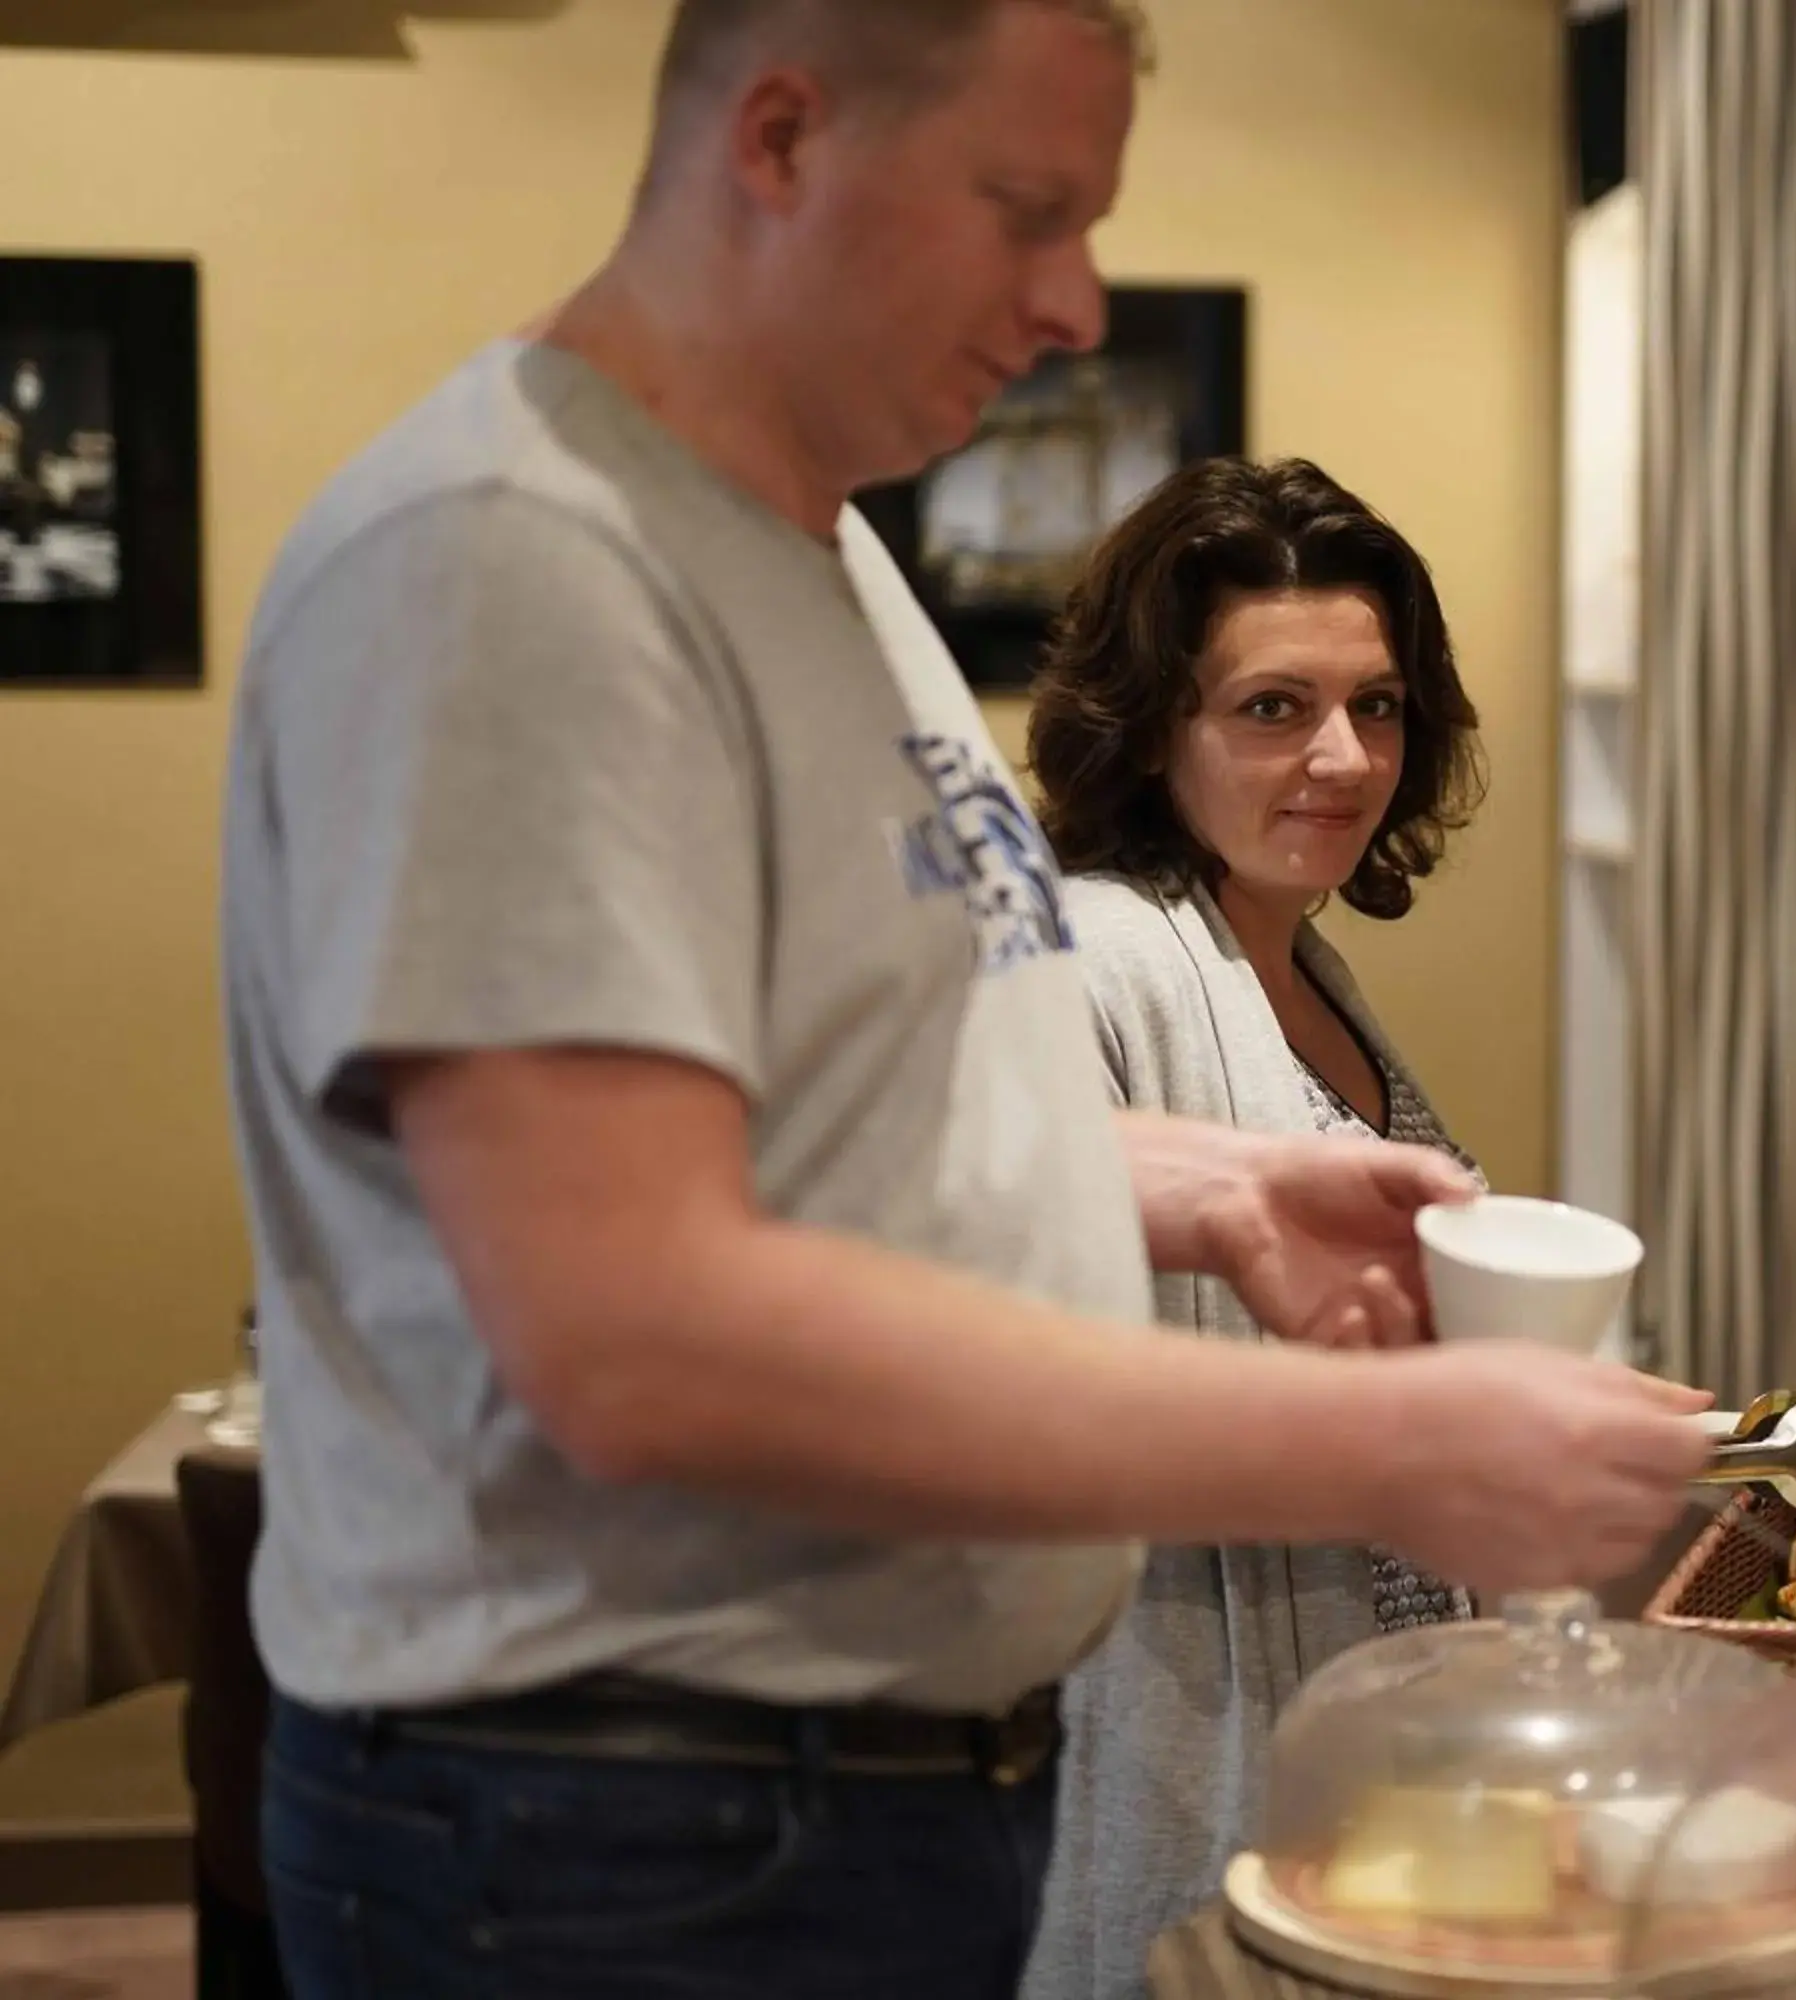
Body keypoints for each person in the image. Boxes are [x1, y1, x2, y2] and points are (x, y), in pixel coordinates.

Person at [215, 5, 1711, 1995]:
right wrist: (1387, 1453)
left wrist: (1198, 1188)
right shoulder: (517, 563)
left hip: (812, 1797)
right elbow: (633, 1336)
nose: (1076, 305)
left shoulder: (811, 556)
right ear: (778, 137)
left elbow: (831, 1123)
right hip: (617, 1819)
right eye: (1028, 213)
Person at [1020, 456, 1494, 1999]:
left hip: (1378, 1715)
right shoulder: (1099, 964)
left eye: (1380, 707)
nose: (1344, 759)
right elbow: (1039, 1380)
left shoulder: (1301, 968)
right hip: (1184, 1720)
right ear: (1158, 727)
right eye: (1274, 709)